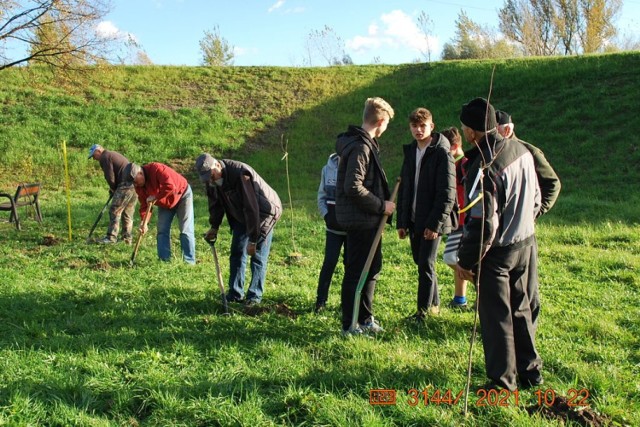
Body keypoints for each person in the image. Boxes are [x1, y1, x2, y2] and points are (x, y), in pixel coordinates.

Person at [456, 97, 543, 392]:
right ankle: (531, 372)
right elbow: (537, 200)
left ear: (471, 132)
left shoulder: (484, 166)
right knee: (522, 310)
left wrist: (467, 261)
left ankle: (502, 383)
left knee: (497, 319)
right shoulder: (522, 149)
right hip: (527, 244)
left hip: (498, 253)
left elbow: (483, 223)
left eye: (465, 127)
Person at [335, 97, 395, 335]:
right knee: (357, 271)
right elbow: (353, 186)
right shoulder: (360, 146)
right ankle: (350, 324)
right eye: (387, 123)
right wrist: (382, 206)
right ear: (380, 121)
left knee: (371, 268)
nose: (386, 128)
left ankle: (365, 318)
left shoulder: (362, 143)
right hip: (362, 220)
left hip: (366, 219)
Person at [496, 109, 561, 327]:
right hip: (501, 232)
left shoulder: (527, 151)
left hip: (524, 232)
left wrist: (535, 211)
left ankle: (528, 324)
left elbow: (552, 183)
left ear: (506, 130)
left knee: (527, 285)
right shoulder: (493, 152)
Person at [196, 154, 282, 306]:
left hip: (263, 214)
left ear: (216, 165)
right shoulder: (211, 180)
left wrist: (253, 239)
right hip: (240, 214)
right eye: (206, 178)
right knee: (237, 252)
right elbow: (215, 203)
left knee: (257, 256)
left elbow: (251, 207)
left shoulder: (241, 174)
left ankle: (254, 297)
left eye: (211, 175)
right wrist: (214, 227)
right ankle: (235, 293)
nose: (210, 180)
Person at [396, 108, 456, 322]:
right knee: (422, 263)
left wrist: (435, 224)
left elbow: (447, 193)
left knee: (425, 265)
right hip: (414, 219)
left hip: (432, 220)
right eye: (414, 126)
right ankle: (435, 305)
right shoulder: (411, 151)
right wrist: (402, 222)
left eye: (423, 126)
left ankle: (421, 314)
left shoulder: (441, 152)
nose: (418, 130)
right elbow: (404, 189)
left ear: (432, 126)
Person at [124, 162, 196, 264]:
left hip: (182, 194)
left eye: (135, 182)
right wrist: (144, 222)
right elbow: (145, 204)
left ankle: (189, 262)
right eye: (133, 184)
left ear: (140, 173)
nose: (135, 185)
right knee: (162, 230)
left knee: (185, 229)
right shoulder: (138, 186)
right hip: (165, 201)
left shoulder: (156, 169)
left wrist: (155, 197)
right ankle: (164, 260)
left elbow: (170, 186)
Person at [439, 127, 469, 309]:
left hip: (466, 222)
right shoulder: (451, 164)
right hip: (454, 221)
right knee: (459, 259)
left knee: (451, 258)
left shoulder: (465, 164)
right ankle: (459, 300)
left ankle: (484, 286)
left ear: (455, 146)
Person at [314, 153, 346, 313]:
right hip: (333, 228)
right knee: (329, 263)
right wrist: (326, 215)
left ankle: (346, 304)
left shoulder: (358, 166)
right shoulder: (327, 169)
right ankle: (320, 302)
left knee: (351, 267)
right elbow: (322, 195)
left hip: (352, 229)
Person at [88, 144, 137, 244]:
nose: (94, 159)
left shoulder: (105, 157)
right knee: (127, 213)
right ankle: (126, 239)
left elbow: (109, 176)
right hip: (134, 185)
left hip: (124, 185)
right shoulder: (112, 154)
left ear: (98, 151)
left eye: (93, 156)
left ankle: (111, 237)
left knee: (115, 210)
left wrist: (113, 188)